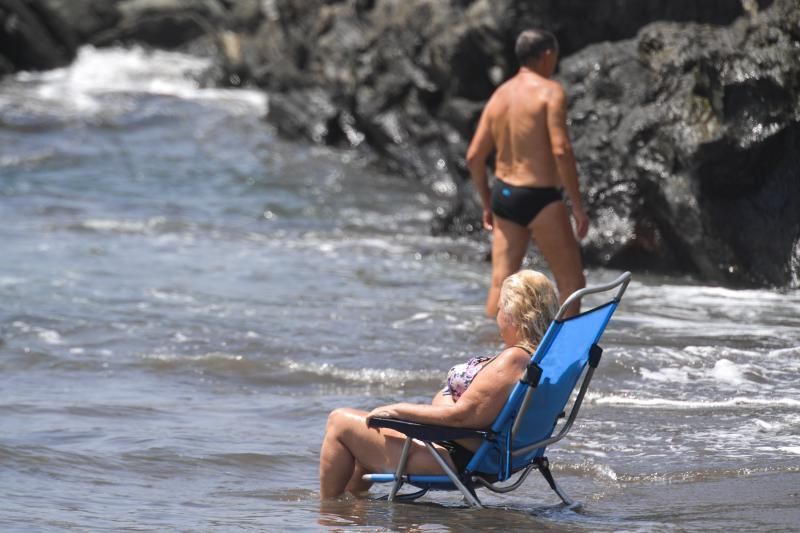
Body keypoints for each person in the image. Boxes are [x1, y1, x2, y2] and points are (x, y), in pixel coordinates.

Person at [319, 270, 558, 499]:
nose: (497, 319)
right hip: (484, 454)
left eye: (498, 310)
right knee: (363, 446)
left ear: (512, 313)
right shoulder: (546, 360)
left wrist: (399, 410)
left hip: (456, 458)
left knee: (339, 422)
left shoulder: (515, 359)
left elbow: (461, 418)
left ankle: (328, 517)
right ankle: (352, 511)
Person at [466, 29, 588, 318]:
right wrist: (577, 208)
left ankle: (493, 357)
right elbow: (561, 150)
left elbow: (474, 156)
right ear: (547, 55)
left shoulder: (500, 96)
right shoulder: (550, 91)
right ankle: (564, 357)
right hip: (540, 196)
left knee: (500, 285)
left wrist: (487, 204)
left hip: (504, 195)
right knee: (572, 283)